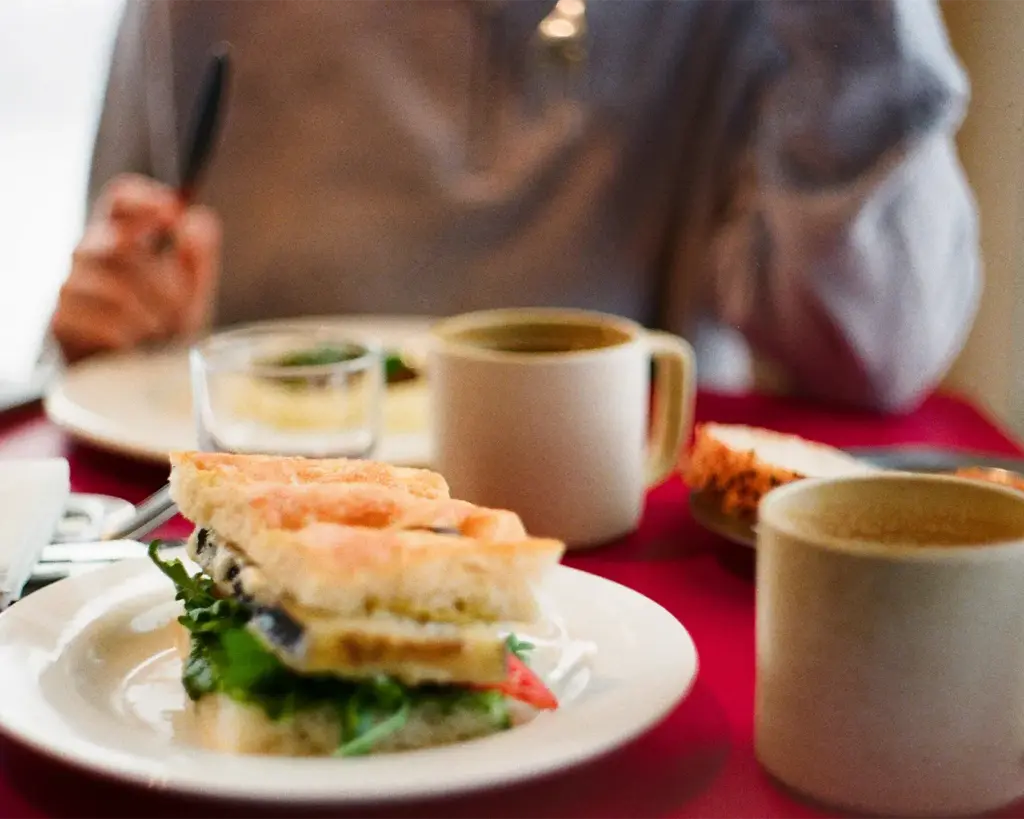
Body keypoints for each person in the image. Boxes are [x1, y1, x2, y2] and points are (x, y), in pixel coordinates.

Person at [51, 0, 980, 412]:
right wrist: (118, 315)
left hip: (615, 565)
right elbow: (117, 308)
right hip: (248, 529)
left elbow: (879, 351)